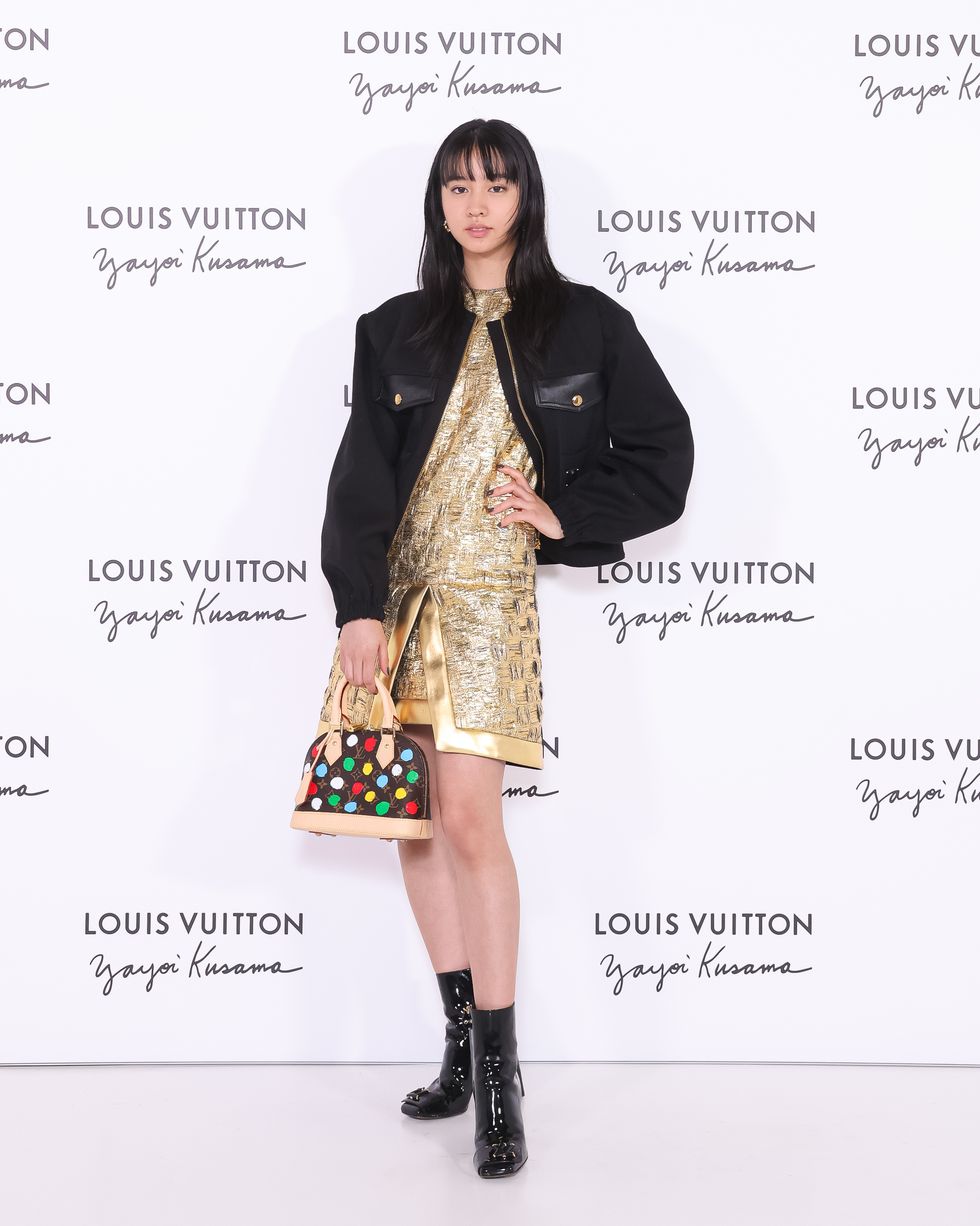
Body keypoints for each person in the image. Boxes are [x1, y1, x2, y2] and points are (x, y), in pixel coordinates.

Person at [317, 117, 695, 1179]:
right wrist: (357, 607)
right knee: (413, 821)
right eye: (455, 186)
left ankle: (499, 1074)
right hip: (398, 604)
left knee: (472, 820)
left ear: (526, 196)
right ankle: (456, 1043)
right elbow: (358, 478)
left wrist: (562, 515)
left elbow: (662, 454)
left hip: (490, 602)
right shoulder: (392, 329)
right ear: (437, 204)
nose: (475, 204)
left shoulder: (586, 322)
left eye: (494, 183)